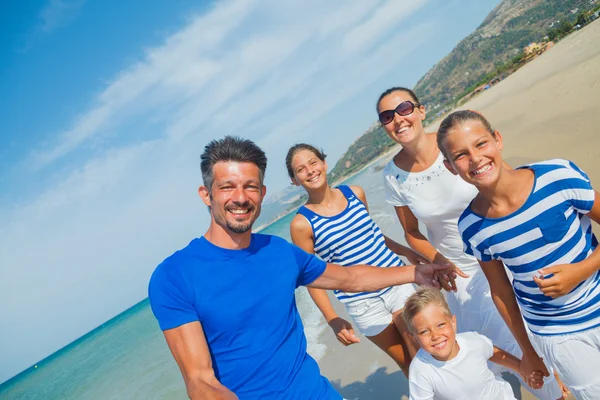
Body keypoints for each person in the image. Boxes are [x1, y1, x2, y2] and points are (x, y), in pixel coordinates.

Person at [148, 136, 453, 400]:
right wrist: (333, 318)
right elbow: (200, 381)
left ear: (262, 194)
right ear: (206, 195)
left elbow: (348, 277)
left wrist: (414, 272)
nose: (240, 198)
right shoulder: (174, 276)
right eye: (227, 187)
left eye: (250, 187)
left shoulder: (279, 252)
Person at [377, 87, 564, 399]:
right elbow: (411, 232)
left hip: (504, 252)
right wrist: (440, 261)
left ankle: (560, 392)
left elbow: (504, 179)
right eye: (387, 116)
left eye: (404, 108)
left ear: (421, 110)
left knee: (538, 343)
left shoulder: (455, 142)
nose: (398, 118)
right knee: (490, 356)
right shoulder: (392, 176)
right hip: (460, 276)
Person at [437, 110, 600, 400]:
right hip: (557, 334)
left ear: (497, 140)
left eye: (481, 144)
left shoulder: (557, 177)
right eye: (460, 155)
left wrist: (582, 270)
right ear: (451, 167)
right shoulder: (473, 227)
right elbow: (500, 292)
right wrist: (529, 352)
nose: (475, 159)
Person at [286, 143, 430, 376]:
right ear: (295, 180)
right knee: (408, 364)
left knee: (420, 350)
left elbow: (371, 235)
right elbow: (313, 276)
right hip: (361, 303)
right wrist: (332, 318)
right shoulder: (301, 224)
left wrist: (406, 251)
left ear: (324, 163)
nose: (310, 170)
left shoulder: (355, 193)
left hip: (396, 281)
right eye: (301, 169)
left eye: (313, 162)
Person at [403, 287, 540, 400]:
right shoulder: (421, 369)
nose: (435, 335)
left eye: (440, 325)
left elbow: (493, 353)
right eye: (424, 332)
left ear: (453, 322)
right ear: (415, 339)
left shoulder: (473, 341)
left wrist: (521, 368)